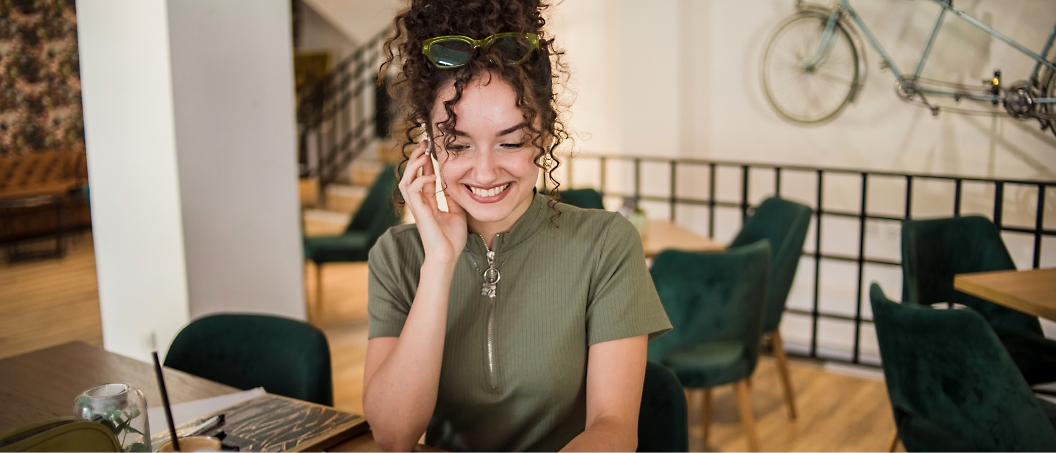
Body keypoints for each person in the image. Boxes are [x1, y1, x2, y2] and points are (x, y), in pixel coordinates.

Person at [362, 1, 671, 451]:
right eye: (458, 145)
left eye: (511, 142)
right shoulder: (396, 256)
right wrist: (440, 263)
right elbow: (392, 435)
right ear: (428, 145)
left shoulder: (606, 244)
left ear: (544, 137)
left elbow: (614, 429)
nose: (485, 173)